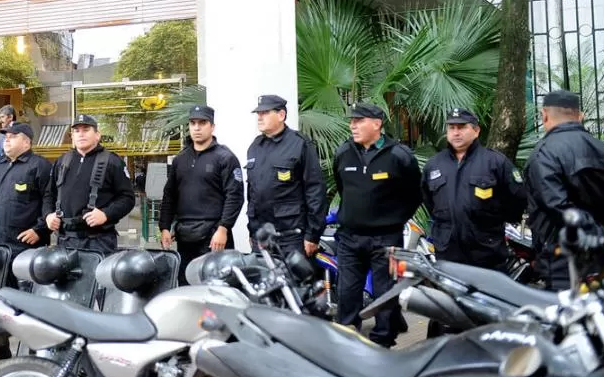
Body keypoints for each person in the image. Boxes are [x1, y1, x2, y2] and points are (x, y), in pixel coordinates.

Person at [422, 107, 526, 337]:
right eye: (452, 127)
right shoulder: (434, 166)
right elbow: (430, 202)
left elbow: (517, 200)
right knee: (449, 315)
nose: (456, 132)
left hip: (486, 253)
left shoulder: (495, 163)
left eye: (462, 127)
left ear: (476, 131)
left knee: (489, 316)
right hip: (449, 255)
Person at [333, 103, 421, 348]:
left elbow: (415, 194)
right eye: (352, 121)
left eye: (359, 120)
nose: (353, 125)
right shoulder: (344, 152)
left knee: (385, 295)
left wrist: (394, 218)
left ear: (377, 124)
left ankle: (382, 343)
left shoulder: (399, 155)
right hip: (350, 237)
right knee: (347, 292)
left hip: (386, 238)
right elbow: (343, 187)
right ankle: (347, 340)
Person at [524, 90, 604, 290]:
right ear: (579, 116)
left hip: (564, 260)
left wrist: (600, 234)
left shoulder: (544, 155)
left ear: (544, 115)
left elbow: (557, 207)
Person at [159, 105, 244, 284]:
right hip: (185, 236)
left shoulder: (225, 157)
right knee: (187, 287)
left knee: (217, 289)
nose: (197, 128)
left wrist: (223, 229)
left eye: (202, 123)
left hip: (214, 236)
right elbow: (169, 195)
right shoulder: (180, 159)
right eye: (193, 123)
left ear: (212, 126)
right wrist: (165, 227)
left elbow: (235, 196)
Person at [245, 94, 327, 258]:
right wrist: (252, 231)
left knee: (293, 282)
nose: (260, 117)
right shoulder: (255, 146)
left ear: (281, 115)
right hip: (261, 236)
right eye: (258, 114)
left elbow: (315, 190)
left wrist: (312, 234)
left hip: (291, 236)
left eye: (265, 113)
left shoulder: (299, 144)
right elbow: (252, 192)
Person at [44, 114, 136, 256]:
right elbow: (49, 195)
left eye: (86, 130)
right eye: (76, 131)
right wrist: (48, 215)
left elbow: (127, 198)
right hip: (65, 240)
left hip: (99, 241)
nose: (81, 134)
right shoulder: (62, 162)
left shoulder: (112, 162)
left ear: (97, 135)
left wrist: (106, 214)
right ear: (72, 136)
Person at [0, 122, 52, 256]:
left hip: (24, 245)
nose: (7, 139)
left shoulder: (40, 166)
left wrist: (40, 230)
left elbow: (50, 200)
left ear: (26, 142)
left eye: (13, 136)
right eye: (6, 137)